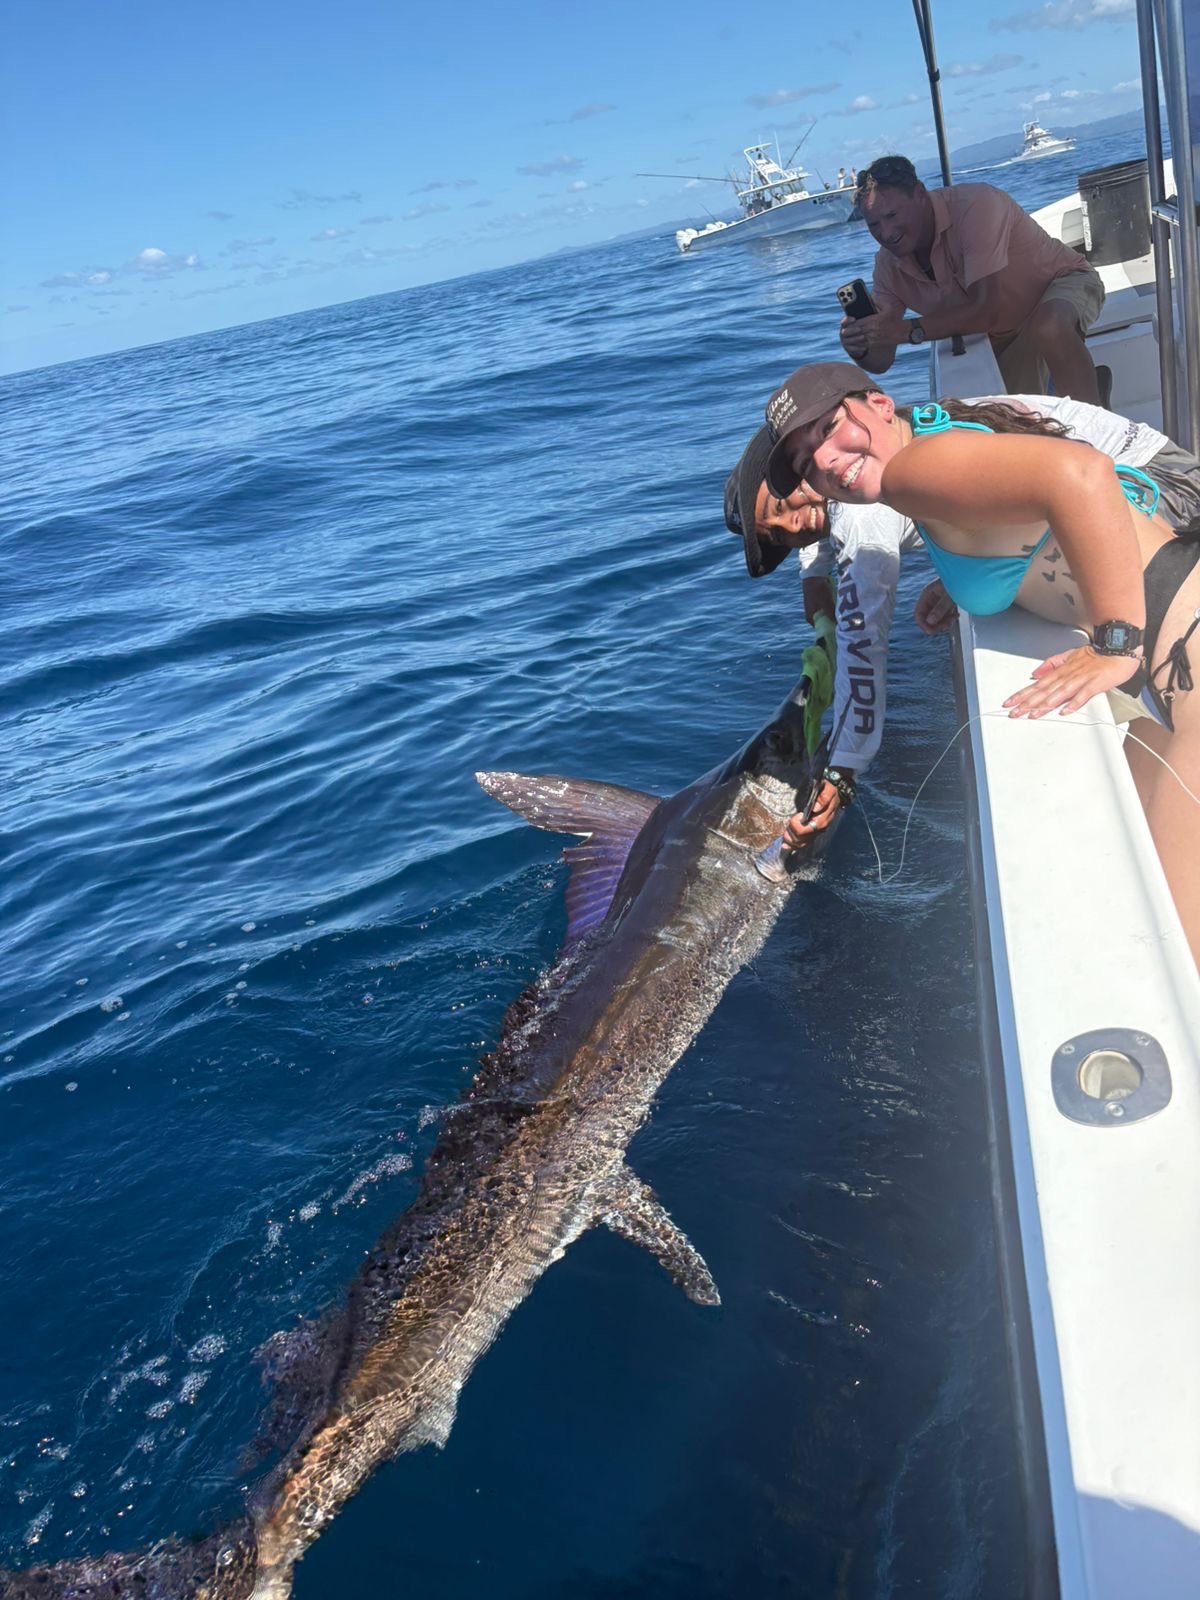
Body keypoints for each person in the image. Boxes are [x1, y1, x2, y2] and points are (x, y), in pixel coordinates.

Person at [760, 360, 1200, 961]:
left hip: (1181, 638)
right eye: (806, 462)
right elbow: (1028, 518)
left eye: (829, 430)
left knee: (1174, 955)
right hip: (1176, 657)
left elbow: (1082, 475)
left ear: (880, 405)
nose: (826, 461)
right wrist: (971, 580)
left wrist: (1114, 644)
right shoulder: (928, 445)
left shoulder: (913, 471)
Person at [724, 425, 943, 810]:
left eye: (779, 506)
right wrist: (812, 575)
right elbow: (818, 517)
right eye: (778, 537)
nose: (793, 525)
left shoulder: (860, 520)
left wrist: (843, 769)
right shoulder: (837, 475)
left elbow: (864, 645)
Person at [840, 154, 1106, 404]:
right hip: (1000, 331)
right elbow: (882, 361)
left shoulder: (976, 205)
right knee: (1012, 429)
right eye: (874, 224)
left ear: (920, 194)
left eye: (892, 215)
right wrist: (860, 344)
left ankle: (1098, 422)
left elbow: (987, 309)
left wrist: (905, 331)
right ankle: (1091, 387)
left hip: (1060, 283)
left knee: (1050, 325)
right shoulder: (887, 266)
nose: (885, 232)